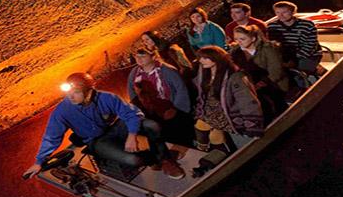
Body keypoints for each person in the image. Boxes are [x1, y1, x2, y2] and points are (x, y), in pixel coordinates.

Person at [23, 72, 184, 179]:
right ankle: (153, 158)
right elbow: (52, 137)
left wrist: (132, 135)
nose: (71, 97)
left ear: (89, 92)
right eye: (68, 93)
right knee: (134, 160)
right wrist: (39, 161)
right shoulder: (63, 110)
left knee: (152, 126)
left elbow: (132, 113)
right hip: (97, 140)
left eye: (76, 93)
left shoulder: (106, 98)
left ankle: (165, 160)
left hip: (117, 126)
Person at [127, 48, 193, 146]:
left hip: (171, 110)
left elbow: (181, 89)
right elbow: (132, 91)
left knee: (179, 135)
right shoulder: (134, 73)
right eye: (137, 56)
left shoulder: (167, 70)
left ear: (153, 56)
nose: (139, 59)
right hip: (151, 111)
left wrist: (176, 110)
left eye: (143, 56)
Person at [229, 25, 287, 119]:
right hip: (249, 83)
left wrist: (260, 84)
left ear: (253, 38)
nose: (238, 42)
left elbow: (276, 71)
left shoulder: (268, 48)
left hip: (271, 83)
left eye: (242, 39)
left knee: (263, 98)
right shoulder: (235, 51)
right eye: (236, 39)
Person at [192, 46, 236, 148]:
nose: (201, 60)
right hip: (208, 109)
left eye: (205, 58)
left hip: (224, 111)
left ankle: (225, 153)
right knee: (199, 128)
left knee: (215, 137)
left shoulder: (229, 74)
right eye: (200, 58)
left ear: (216, 58)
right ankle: (205, 150)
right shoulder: (203, 72)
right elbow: (202, 95)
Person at [267, 1, 322, 76]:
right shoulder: (272, 26)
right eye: (278, 12)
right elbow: (273, 45)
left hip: (308, 54)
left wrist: (294, 59)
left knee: (300, 71)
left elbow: (310, 45)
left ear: (293, 12)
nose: (281, 15)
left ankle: (318, 73)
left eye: (284, 12)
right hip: (285, 55)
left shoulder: (307, 25)